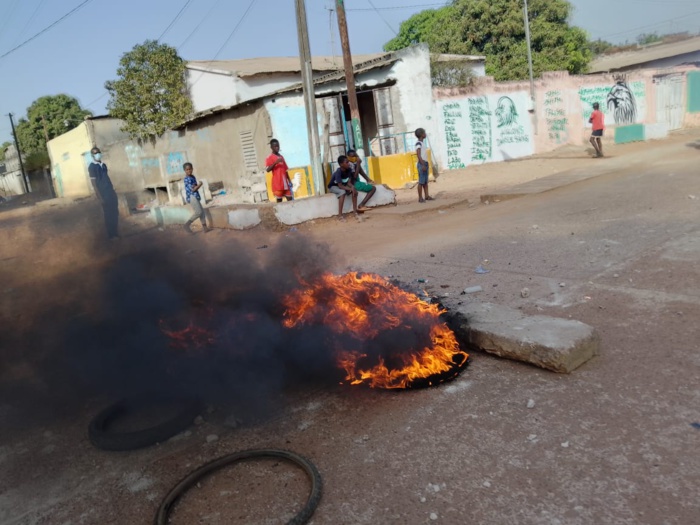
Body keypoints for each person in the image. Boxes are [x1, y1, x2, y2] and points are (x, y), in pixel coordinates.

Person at [88, 146, 119, 240]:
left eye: (98, 152)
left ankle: (116, 232)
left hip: (111, 192)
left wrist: (113, 190)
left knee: (115, 213)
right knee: (108, 214)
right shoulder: (92, 167)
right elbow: (94, 184)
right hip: (103, 194)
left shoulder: (103, 165)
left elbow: (106, 178)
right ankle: (111, 235)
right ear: (92, 155)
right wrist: (100, 198)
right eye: (95, 153)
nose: (98, 154)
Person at [328, 155, 361, 221]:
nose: (348, 163)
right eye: (346, 162)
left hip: (342, 185)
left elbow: (349, 183)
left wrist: (352, 187)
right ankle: (340, 215)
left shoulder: (349, 170)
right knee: (342, 192)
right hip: (333, 186)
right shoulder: (338, 172)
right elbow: (340, 186)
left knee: (354, 190)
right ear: (341, 164)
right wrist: (350, 189)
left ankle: (355, 212)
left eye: (348, 162)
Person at [182, 162, 210, 233]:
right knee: (198, 212)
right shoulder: (186, 179)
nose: (189, 171)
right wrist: (200, 184)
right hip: (192, 197)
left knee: (202, 212)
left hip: (195, 196)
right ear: (184, 170)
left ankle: (205, 228)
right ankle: (186, 225)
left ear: (192, 169)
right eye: (187, 169)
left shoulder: (193, 177)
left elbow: (194, 186)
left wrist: (197, 185)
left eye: (190, 169)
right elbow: (193, 189)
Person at [415, 128, 433, 203]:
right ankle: (420, 198)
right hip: (422, 164)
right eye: (424, 133)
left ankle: (426, 196)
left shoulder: (422, 143)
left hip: (424, 163)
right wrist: (423, 165)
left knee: (425, 182)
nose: (425, 134)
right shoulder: (418, 143)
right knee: (421, 182)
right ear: (422, 134)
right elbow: (418, 155)